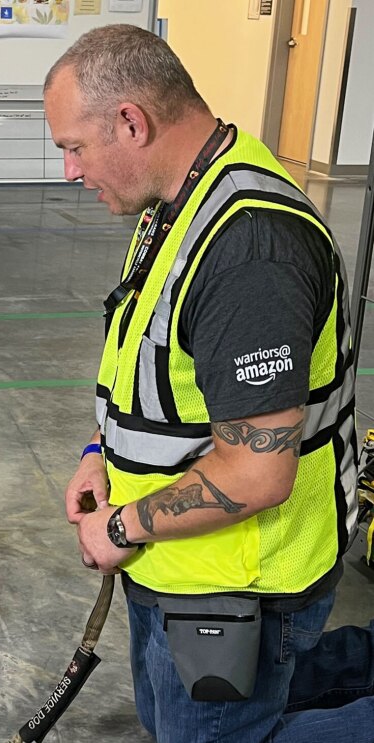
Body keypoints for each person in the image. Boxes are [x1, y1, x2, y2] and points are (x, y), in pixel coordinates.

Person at [43, 24, 374, 743]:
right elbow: (150, 368)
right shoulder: (176, 203)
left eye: (74, 146)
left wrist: (122, 526)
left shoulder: (249, 248)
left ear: (131, 121)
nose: (70, 170)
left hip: (236, 587)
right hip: (178, 568)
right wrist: (98, 452)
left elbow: (256, 471)